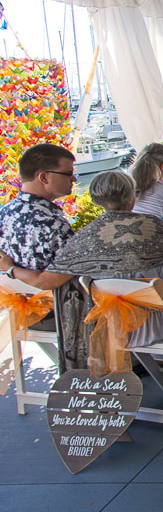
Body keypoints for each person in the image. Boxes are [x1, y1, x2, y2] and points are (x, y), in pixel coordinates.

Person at [1, 171, 163, 368]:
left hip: (116, 328)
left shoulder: (85, 237)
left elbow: (46, 280)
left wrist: (10, 269)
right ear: (132, 197)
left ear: (97, 200)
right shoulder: (152, 224)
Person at [0, 143, 88, 369]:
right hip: (61, 317)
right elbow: (51, 280)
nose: (74, 180)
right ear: (44, 177)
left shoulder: (5, 212)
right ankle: (113, 377)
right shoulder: (53, 224)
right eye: (69, 174)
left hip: (17, 312)